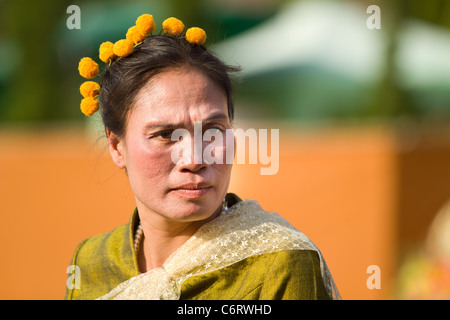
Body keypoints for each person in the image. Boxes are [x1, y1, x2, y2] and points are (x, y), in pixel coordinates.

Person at [65, 14, 340, 300]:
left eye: (213, 131)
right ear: (116, 145)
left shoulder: (280, 263)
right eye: (165, 134)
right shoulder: (90, 262)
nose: (195, 158)